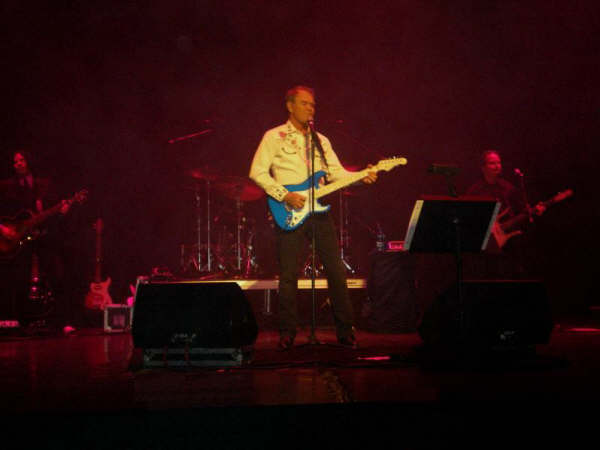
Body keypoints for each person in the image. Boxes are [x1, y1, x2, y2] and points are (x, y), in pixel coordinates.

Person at [249, 85, 377, 350]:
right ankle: (287, 332)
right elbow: (257, 172)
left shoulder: (322, 140)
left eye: (313, 105)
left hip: (318, 211)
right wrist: (283, 195)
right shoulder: (274, 136)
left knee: (335, 269)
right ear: (290, 105)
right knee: (288, 274)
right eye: (305, 103)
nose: (311, 108)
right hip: (289, 210)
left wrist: (363, 177)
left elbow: (338, 174)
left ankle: (345, 330)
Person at [0, 149, 75, 334]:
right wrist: (3, 229)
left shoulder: (43, 184)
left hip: (42, 235)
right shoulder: (7, 186)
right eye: (15, 161)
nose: (18, 164)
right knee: (19, 279)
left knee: (56, 274)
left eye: (21, 160)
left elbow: (50, 213)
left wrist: (62, 211)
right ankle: (21, 322)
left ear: (29, 161)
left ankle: (62, 321)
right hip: (19, 240)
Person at [465, 149, 544, 277]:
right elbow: (469, 217)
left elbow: (523, 210)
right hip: (486, 243)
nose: (497, 166)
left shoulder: (508, 188)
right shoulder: (475, 190)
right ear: (483, 167)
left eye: (499, 163)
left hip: (509, 241)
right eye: (492, 163)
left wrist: (535, 211)